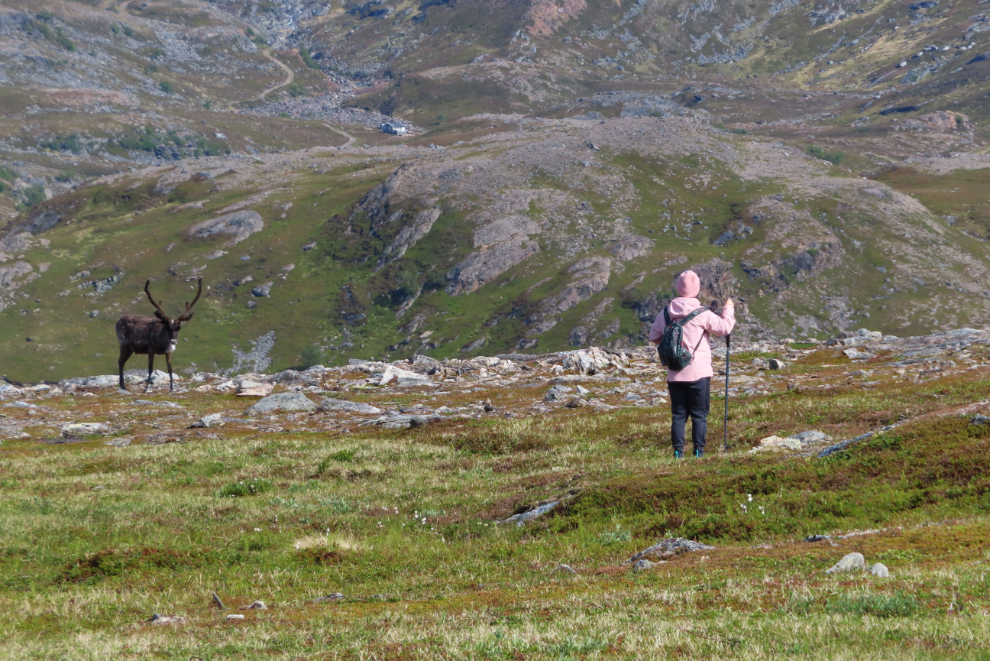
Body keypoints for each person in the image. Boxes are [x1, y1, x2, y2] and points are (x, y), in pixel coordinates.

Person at [649, 270, 735, 458]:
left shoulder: (665, 314)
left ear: (678, 288)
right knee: (699, 415)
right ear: (696, 289)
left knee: (678, 415)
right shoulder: (702, 314)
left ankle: (678, 453)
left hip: (674, 372)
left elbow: (654, 336)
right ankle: (698, 452)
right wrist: (728, 309)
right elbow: (724, 328)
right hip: (698, 373)